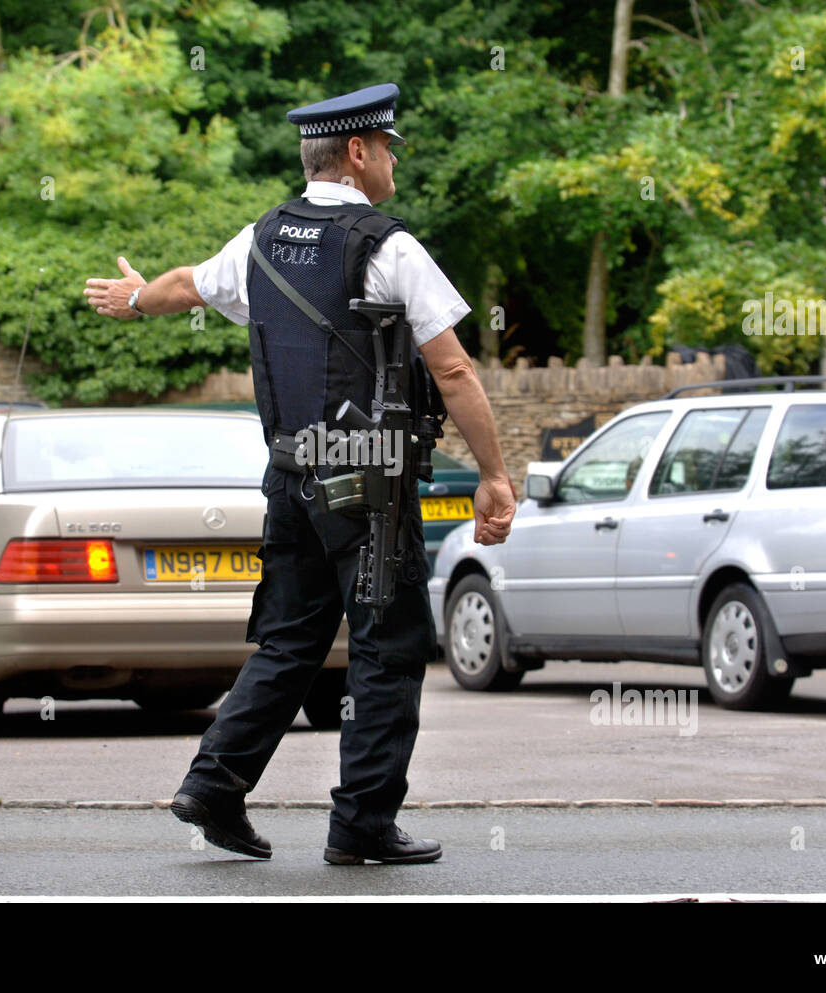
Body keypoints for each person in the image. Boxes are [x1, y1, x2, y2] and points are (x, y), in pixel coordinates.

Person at [83, 83, 515, 865]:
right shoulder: (388, 246)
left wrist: (133, 299)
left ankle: (214, 785)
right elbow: (451, 371)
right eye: (386, 147)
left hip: (289, 482)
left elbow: (186, 285)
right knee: (387, 649)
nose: (390, 161)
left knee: (289, 642)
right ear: (357, 152)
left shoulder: (260, 240)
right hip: (371, 489)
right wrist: (494, 474)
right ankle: (362, 825)